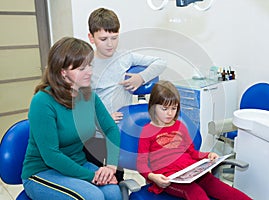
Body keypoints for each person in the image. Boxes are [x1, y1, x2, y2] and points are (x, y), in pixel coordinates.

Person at [21, 37, 122, 200]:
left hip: (77, 164)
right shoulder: (42, 101)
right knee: (93, 196)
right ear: (63, 72)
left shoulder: (88, 96)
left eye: (90, 65)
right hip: (42, 171)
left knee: (113, 192)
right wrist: (93, 176)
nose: (89, 71)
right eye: (81, 68)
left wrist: (110, 167)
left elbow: (110, 129)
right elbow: (51, 156)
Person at [84, 7, 167, 182]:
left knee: (117, 179)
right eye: (103, 39)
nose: (110, 44)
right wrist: (102, 119)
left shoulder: (125, 57)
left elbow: (160, 62)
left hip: (120, 132)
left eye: (114, 38)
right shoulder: (86, 65)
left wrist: (140, 78)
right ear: (91, 38)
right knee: (96, 179)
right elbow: (80, 106)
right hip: (96, 136)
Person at [137, 80, 252, 200]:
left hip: (192, 172)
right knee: (196, 193)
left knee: (225, 190)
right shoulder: (147, 131)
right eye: (164, 109)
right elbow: (141, 163)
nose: (170, 113)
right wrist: (153, 177)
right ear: (153, 107)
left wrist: (207, 155)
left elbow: (192, 152)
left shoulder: (179, 126)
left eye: (174, 108)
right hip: (170, 179)